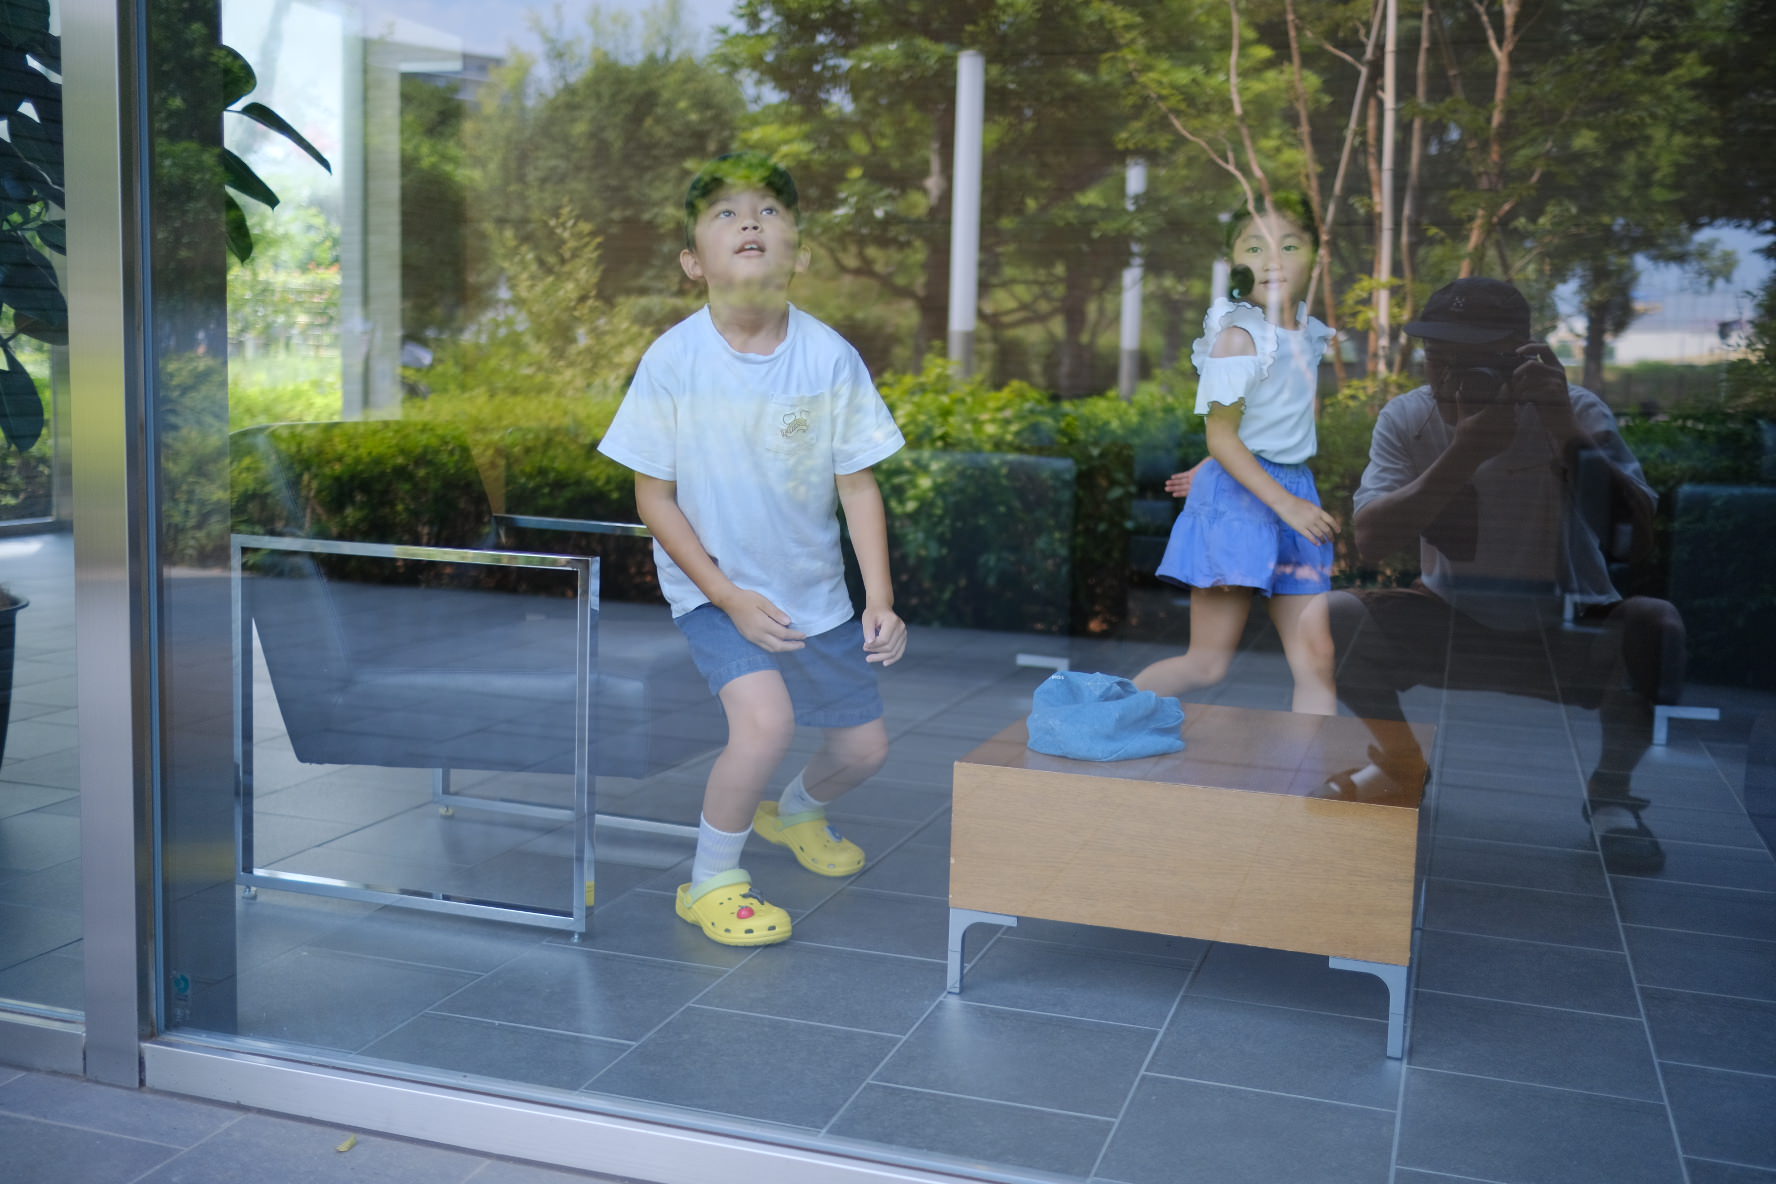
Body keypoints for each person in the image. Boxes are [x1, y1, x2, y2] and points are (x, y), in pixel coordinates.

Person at [597, 153, 908, 946]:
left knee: (865, 749)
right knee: (764, 726)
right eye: (727, 214)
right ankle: (710, 883)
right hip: (716, 591)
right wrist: (728, 596)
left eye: (769, 212)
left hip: (815, 593)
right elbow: (652, 497)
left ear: (796, 250)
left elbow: (857, 486)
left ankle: (796, 812)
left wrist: (879, 598)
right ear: (693, 262)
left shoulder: (829, 356)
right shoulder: (673, 360)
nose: (750, 224)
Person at [1329, 276, 1682, 870]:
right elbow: (1370, 541)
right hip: (1451, 617)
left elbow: (1635, 540)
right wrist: (1465, 451)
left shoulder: (1575, 411)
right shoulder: (1409, 416)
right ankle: (1402, 767)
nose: (1450, 378)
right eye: (1437, 357)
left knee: (1657, 627)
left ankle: (1612, 793)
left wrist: (1561, 427)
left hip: (1570, 623)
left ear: (1522, 355)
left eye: (1471, 360)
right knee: (1329, 618)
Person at [1134, 193, 1340, 715]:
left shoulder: (1307, 333)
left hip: (1291, 489)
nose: (1272, 261)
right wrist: (1235, 475)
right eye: (1255, 248)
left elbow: (1260, 428)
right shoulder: (1239, 337)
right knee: (1207, 665)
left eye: (1288, 246)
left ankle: (1309, 768)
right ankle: (1101, 721)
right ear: (1235, 261)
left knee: (1317, 659)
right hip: (1245, 504)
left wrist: (1217, 469)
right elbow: (1220, 436)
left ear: (1316, 255)